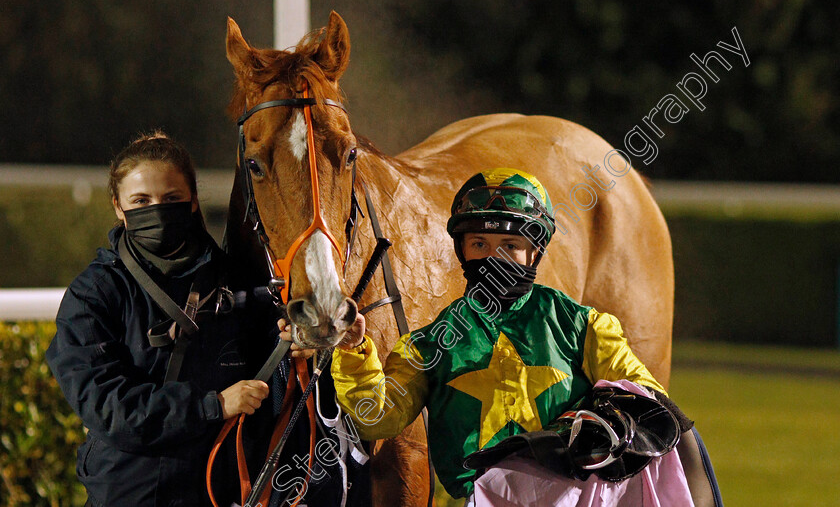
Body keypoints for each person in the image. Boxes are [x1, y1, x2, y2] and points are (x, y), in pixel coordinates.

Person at [321, 167, 679, 503]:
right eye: (479, 244)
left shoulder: (586, 328)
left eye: (509, 246)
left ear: (534, 252)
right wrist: (354, 351)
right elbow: (377, 419)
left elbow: (649, 402)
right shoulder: (428, 344)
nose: (493, 259)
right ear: (462, 250)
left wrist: (595, 427)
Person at [46, 132, 271, 507]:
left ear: (194, 200)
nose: (157, 210)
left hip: (226, 490)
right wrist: (211, 405)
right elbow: (108, 407)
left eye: (171, 199)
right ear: (118, 207)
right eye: (141, 201)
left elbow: (271, 381)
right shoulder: (92, 295)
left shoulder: (239, 281)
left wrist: (288, 340)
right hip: (131, 492)